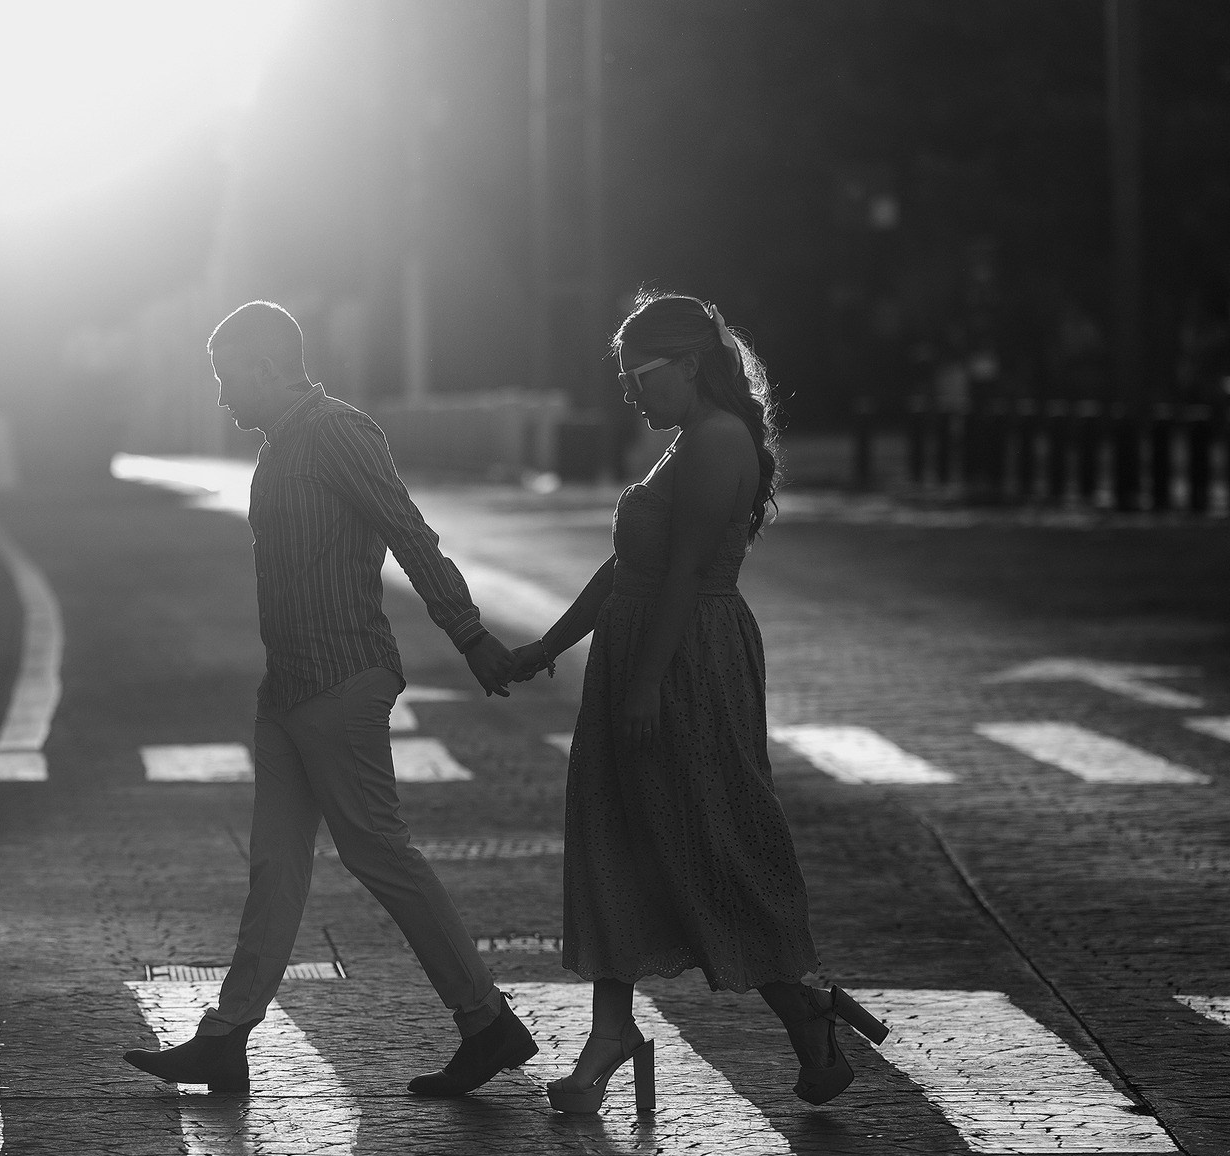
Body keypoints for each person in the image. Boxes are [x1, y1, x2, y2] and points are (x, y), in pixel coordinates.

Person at [122, 301, 539, 1097]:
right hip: (287, 690)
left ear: (270, 367)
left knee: (379, 852)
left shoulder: (338, 433)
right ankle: (226, 1036)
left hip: (344, 681)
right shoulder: (279, 451)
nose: (221, 398)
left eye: (227, 378)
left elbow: (410, 533)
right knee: (275, 869)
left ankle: (487, 1020)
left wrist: (471, 635)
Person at [511, 291, 887, 1113]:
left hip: (687, 660)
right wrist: (549, 647)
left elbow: (681, 573)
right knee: (615, 837)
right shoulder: (686, 442)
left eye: (639, 375)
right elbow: (628, 570)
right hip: (639, 652)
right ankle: (611, 1036)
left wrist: (647, 680)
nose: (629, 393)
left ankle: (807, 1012)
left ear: (688, 366)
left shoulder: (718, 442)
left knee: (711, 842)